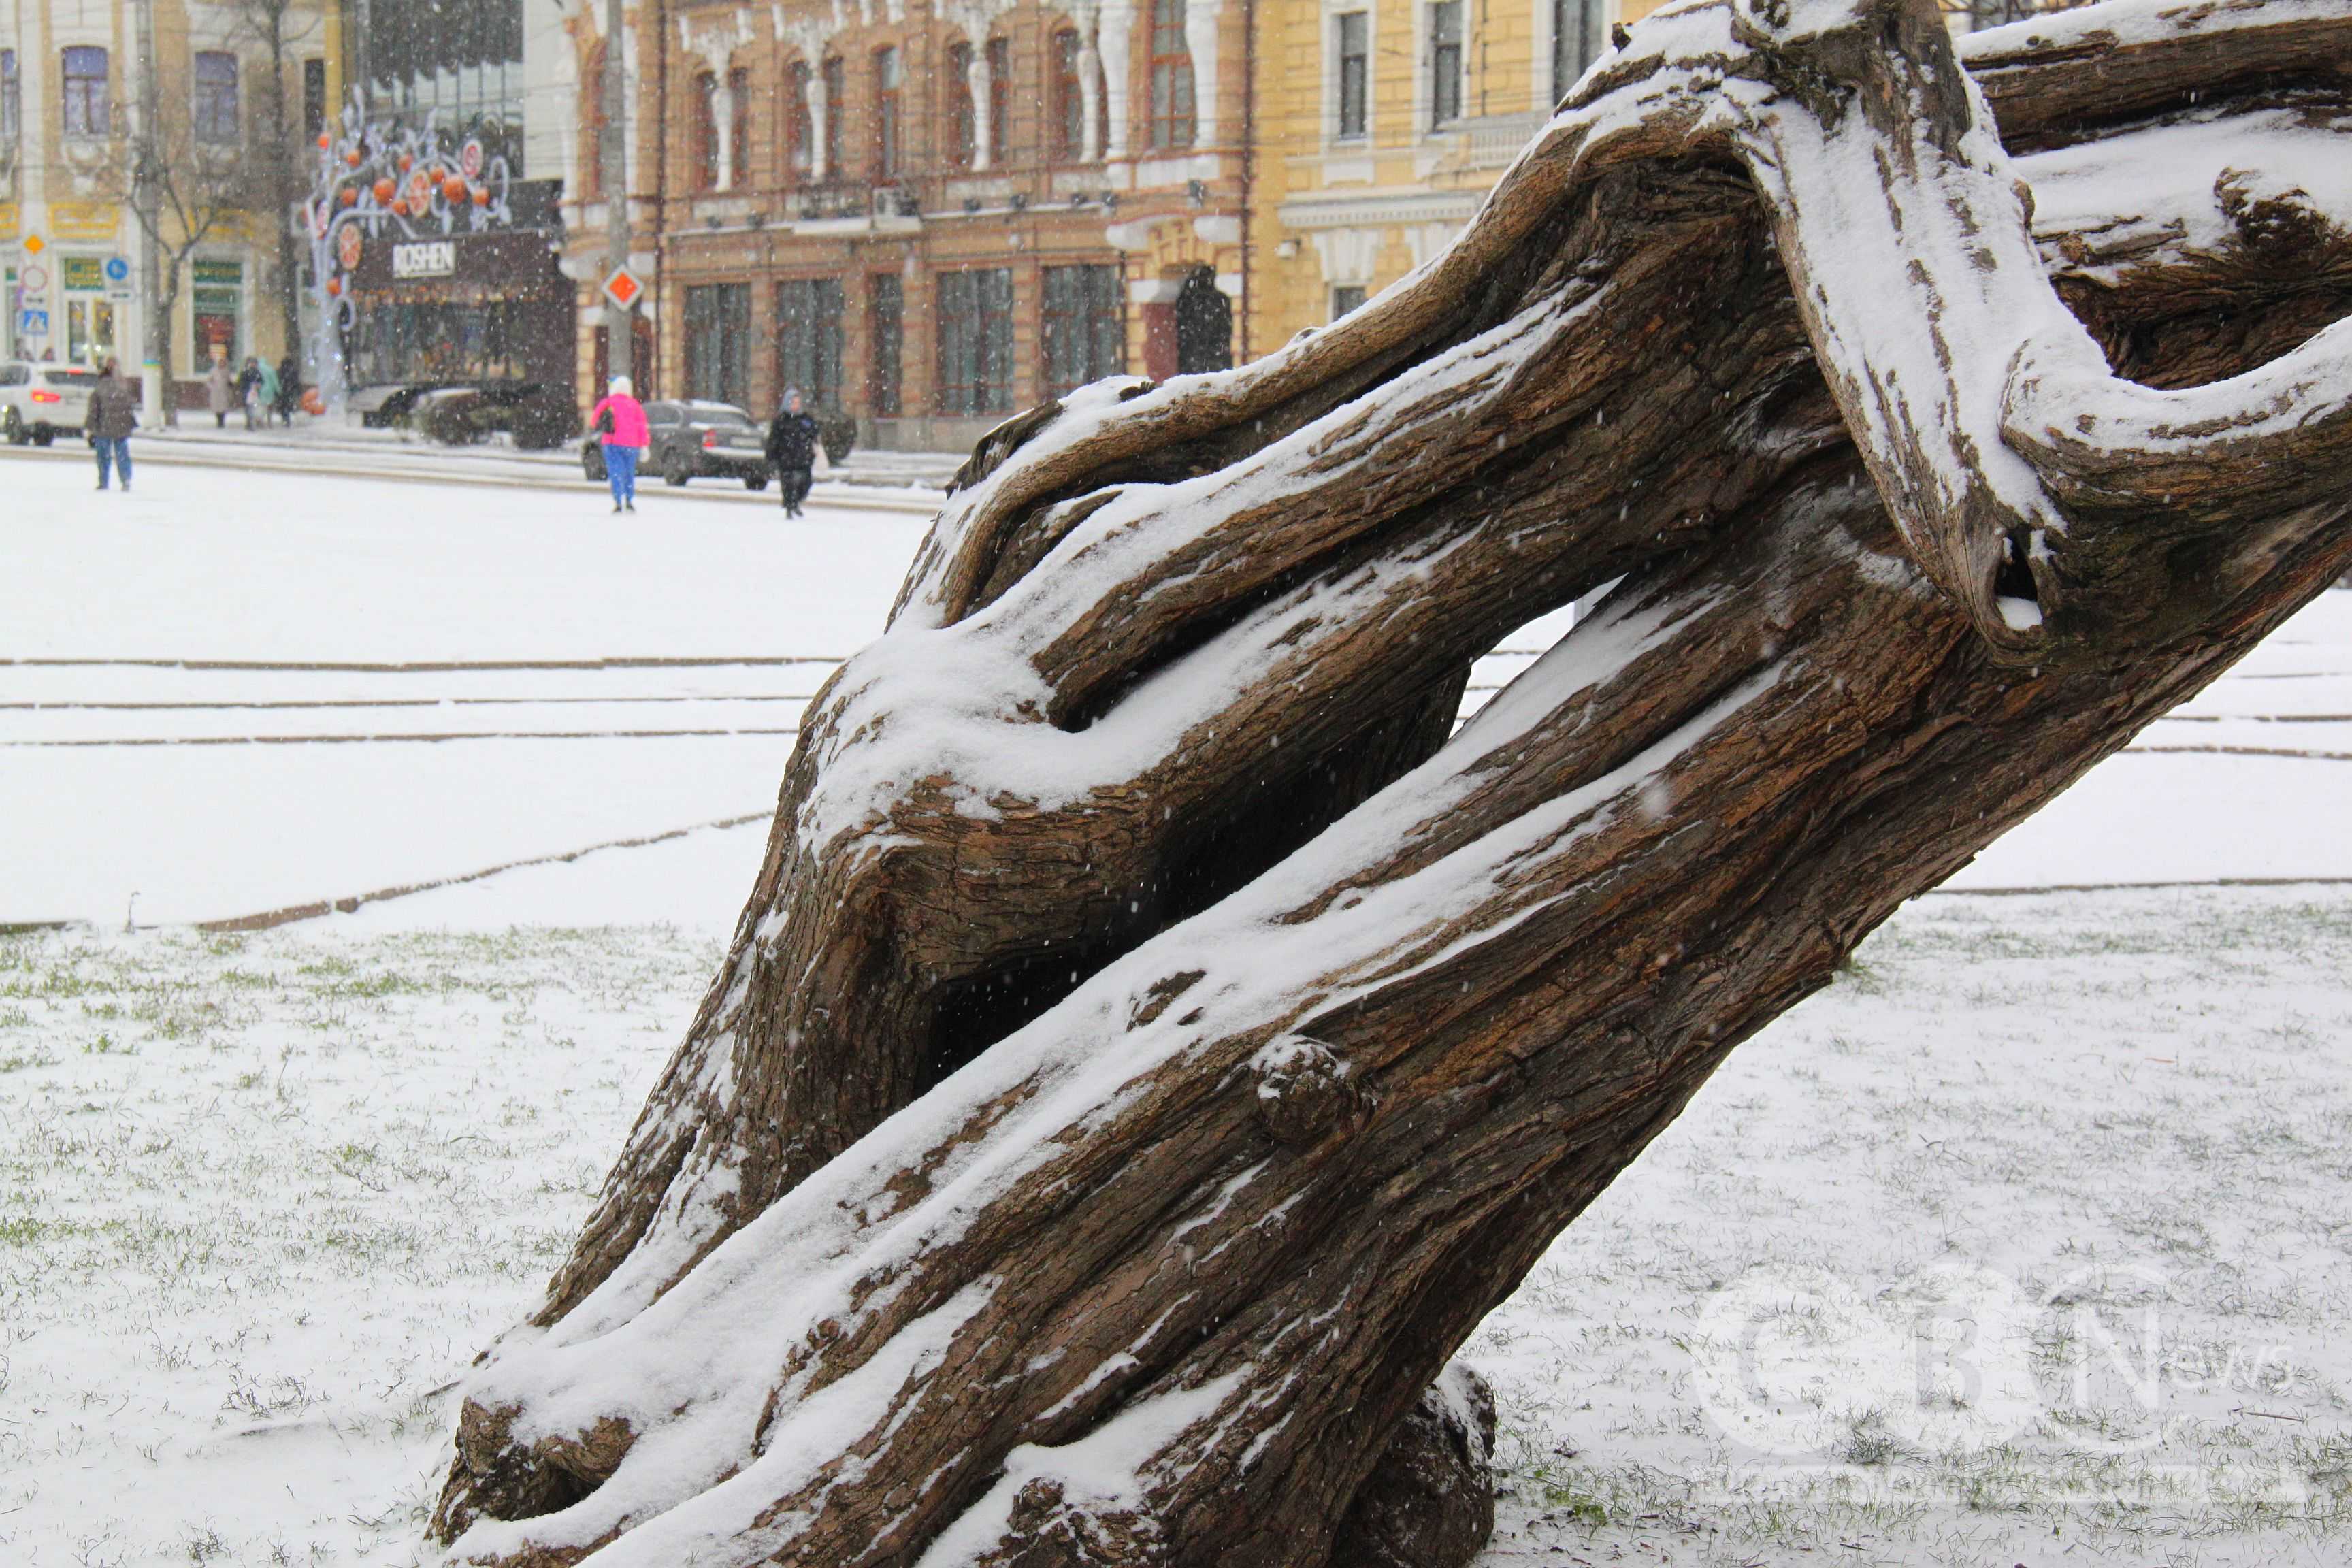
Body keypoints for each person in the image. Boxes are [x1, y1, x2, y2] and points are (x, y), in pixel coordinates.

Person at [589, 375, 649, 513]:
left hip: (612, 443)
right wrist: (644, 445)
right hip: (632, 445)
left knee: (616, 472)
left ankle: (618, 501)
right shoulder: (635, 405)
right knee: (629, 472)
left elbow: (594, 421)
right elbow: (642, 426)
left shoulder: (608, 403)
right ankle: (629, 499)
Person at [765, 387, 821, 518]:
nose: (796, 405)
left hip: (803, 457)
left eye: (798, 402)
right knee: (788, 484)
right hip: (786, 458)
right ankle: (789, 507)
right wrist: (771, 458)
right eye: (793, 402)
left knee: (805, 483)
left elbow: (814, 432)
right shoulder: (781, 420)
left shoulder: (805, 418)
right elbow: (774, 440)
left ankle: (796, 502)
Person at [88, 357, 138, 492]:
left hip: (104, 426)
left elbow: (94, 409)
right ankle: (125, 479)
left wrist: (91, 427)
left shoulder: (100, 387)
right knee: (122, 453)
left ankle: (104, 481)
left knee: (103, 455)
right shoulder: (123, 385)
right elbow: (129, 406)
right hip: (120, 426)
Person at [206, 350, 233, 429]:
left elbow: (229, 380)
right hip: (216, 392)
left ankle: (222, 421)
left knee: (224, 407)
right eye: (220, 362)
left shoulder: (227, 370)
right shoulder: (213, 371)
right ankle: (219, 421)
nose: (222, 364)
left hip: (225, 391)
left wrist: (230, 386)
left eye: (223, 362)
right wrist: (212, 387)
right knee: (217, 407)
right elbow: (209, 381)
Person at [235, 356, 263, 430]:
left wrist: (258, 385)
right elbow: (241, 382)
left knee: (253, 408)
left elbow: (261, 381)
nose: (253, 364)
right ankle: (250, 422)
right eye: (252, 363)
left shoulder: (256, 372)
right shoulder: (245, 372)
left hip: (254, 393)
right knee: (249, 408)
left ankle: (251, 422)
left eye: (255, 363)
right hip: (247, 392)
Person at [274, 354, 301, 426]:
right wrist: (298, 391)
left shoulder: (280, 371)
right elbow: (296, 382)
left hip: (282, 391)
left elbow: (277, 381)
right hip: (290, 391)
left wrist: (277, 391)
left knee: (283, 407)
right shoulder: (293, 371)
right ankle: (287, 419)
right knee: (288, 405)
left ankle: (285, 419)